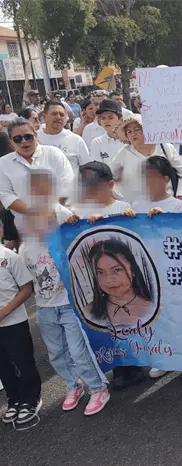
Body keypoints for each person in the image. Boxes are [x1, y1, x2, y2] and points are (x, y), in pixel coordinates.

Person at [20, 169, 110, 416]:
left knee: (80, 350)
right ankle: (73, 385)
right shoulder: (26, 248)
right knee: (57, 353)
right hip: (45, 308)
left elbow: (85, 235)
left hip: (69, 303)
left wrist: (89, 222)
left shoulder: (64, 226)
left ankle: (98, 388)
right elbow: (25, 278)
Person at [66, 162, 146, 391]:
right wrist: (73, 222)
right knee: (110, 324)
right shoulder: (79, 212)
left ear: (110, 184)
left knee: (131, 323)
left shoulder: (123, 207)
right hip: (100, 280)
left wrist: (129, 217)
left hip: (124, 280)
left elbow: (135, 239)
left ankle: (136, 365)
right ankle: (119, 368)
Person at [0, 118, 74, 238]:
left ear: (36, 135)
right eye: (18, 139)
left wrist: (50, 213)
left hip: (62, 224)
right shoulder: (3, 163)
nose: (24, 142)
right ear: (10, 141)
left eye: (28, 137)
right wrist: (34, 214)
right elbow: (6, 195)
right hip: (27, 230)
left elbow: (67, 184)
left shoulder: (54, 154)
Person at [0, 217, 40, 425]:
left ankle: (31, 399)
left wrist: (4, 312)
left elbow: (26, 288)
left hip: (14, 322)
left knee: (23, 361)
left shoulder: (10, 257)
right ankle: (14, 399)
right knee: (3, 366)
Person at [110, 115, 182, 203]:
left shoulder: (166, 148)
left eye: (137, 130)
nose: (133, 134)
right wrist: (120, 197)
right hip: (135, 206)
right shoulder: (124, 153)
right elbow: (107, 176)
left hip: (167, 204)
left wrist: (181, 197)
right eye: (129, 132)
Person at [37, 100, 91, 173]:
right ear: (44, 116)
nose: (58, 117)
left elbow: (88, 169)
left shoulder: (76, 140)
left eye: (62, 115)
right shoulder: (34, 139)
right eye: (54, 114)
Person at [90, 99, 125, 165]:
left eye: (110, 117)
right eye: (103, 118)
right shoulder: (97, 142)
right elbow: (98, 168)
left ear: (120, 119)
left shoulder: (129, 140)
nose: (106, 121)